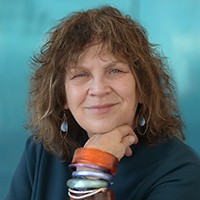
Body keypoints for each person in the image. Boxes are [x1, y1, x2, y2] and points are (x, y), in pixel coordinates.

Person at [5, 5, 200, 200]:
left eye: (115, 70)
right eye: (81, 74)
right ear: (62, 96)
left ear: (142, 87)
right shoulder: (41, 151)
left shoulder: (179, 169)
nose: (98, 89)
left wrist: (92, 169)